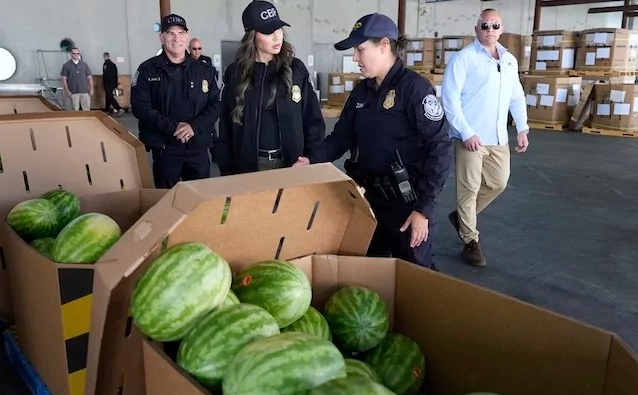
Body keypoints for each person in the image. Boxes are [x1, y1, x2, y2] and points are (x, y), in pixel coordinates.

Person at [295, 13, 452, 270]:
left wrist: (423, 210)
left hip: (407, 206)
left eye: (360, 49)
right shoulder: (361, 90)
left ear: (384, 46)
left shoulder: (414, 89)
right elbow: (341, 137)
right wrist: (311, 159)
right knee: (367, 273)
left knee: (416, 276)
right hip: (369, 201)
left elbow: (440, 149)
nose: (355, 58)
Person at [441, 8, 529, 267]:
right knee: (468, 189)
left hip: (498, 137)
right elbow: (450, 99)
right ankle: (470, 240)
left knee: (498, 182)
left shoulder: (509, 60)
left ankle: (461, 217)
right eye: (485, 26)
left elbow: (516, 96)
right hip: (470, 137)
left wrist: (522, 128)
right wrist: (466, 132)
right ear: (476, 29)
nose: (490, 30)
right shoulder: (463, 59)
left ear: (502, 29)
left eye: (495, 25)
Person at [216, 0, 325, 175]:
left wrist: (312, 159)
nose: (277, 37)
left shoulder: (296, 69)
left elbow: (313, 119)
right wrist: (226, 169)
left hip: (292, 164)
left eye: (279, 29)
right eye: (268, 32)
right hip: (249, 167)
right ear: (252, 37)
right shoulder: (235, 73)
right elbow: (225, 125)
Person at [131, 14, 220, 189]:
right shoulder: (147, 70)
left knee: (200, 199)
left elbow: (217, 103)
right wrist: (173, 127)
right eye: (170, 33)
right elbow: (140, 107)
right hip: (165, 148)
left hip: (198, 146)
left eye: (181, 33)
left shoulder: (204, 70)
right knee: (165, 200)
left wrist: (193, 127)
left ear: (187, 37)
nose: (176, 38)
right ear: (161, 37)